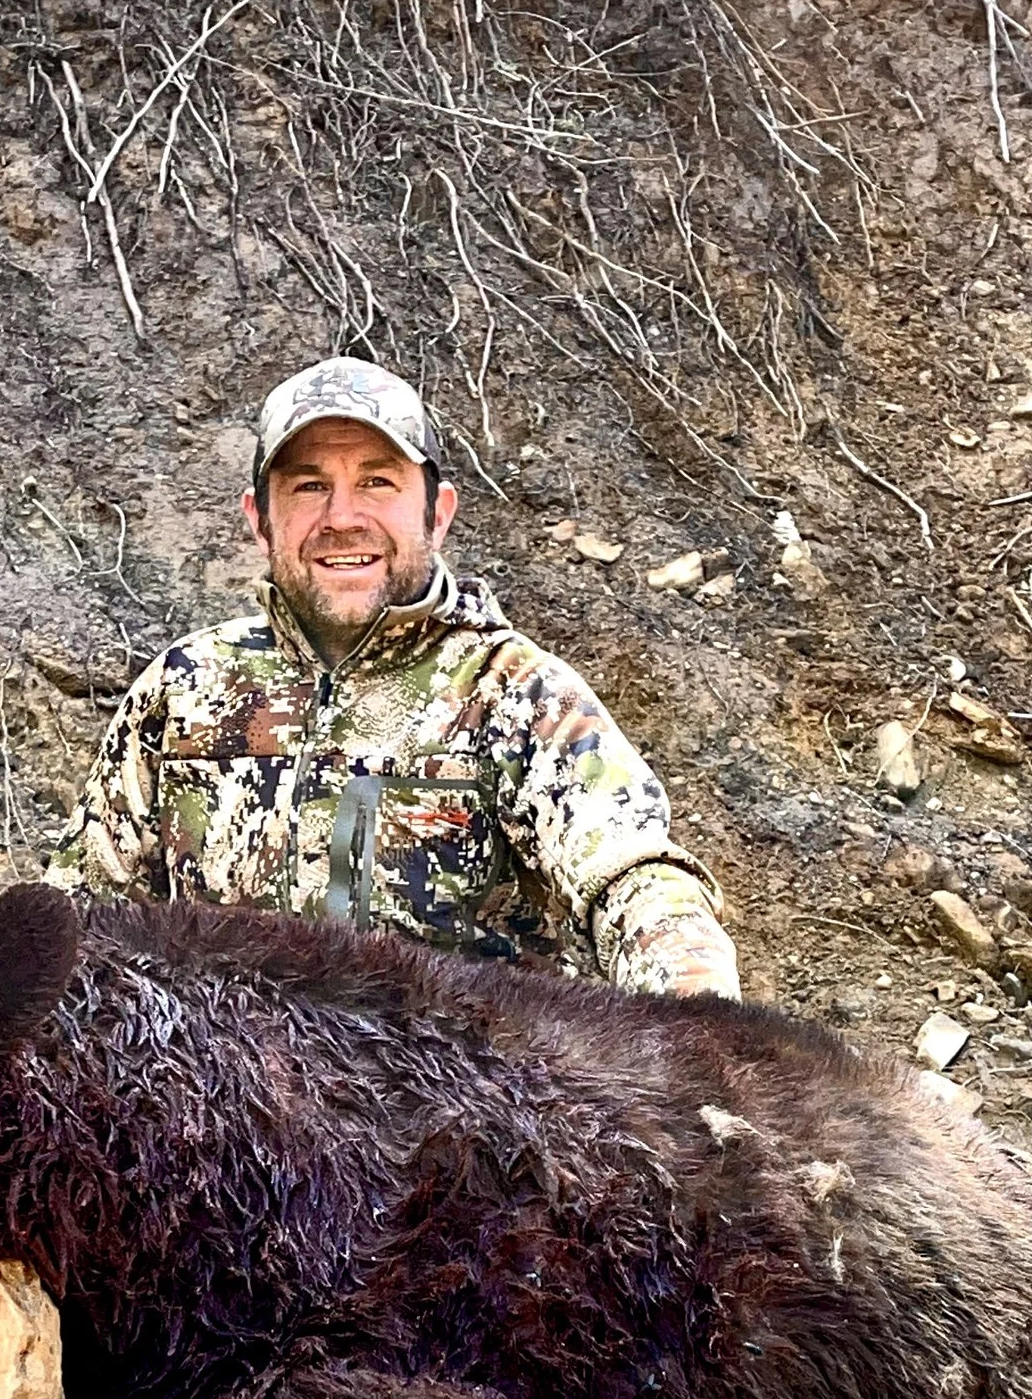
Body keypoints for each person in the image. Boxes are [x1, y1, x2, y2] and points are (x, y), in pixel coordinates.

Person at [45, 357, 740, 998]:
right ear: (260, 520)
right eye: (309, 486)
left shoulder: (514, 695)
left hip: (453, 1113)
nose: (342, 518)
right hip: (224, 1113)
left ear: (436, 513)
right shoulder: (183, 692)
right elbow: (77, 920)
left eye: (377, 481)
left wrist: (701, 1026)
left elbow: (635, 880)